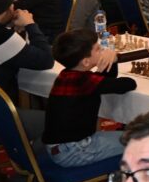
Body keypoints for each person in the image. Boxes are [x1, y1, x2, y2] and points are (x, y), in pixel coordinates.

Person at [43, 29, 136, 167]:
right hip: (76, 150)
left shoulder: (67, 75)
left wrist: (110, 61)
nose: (103, 50)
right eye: (98, 49)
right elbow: (128, 84)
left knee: (129, 135)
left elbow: (104, 80)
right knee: (142, 140)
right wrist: (114, 58)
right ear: (86, 62)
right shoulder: (84, 81)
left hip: (61, 147)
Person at [0, 0, 52, 144]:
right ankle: (32, 159)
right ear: (6, 8)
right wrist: (30, 24)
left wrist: (10, 28)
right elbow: (45, 60)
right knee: (60, 120)